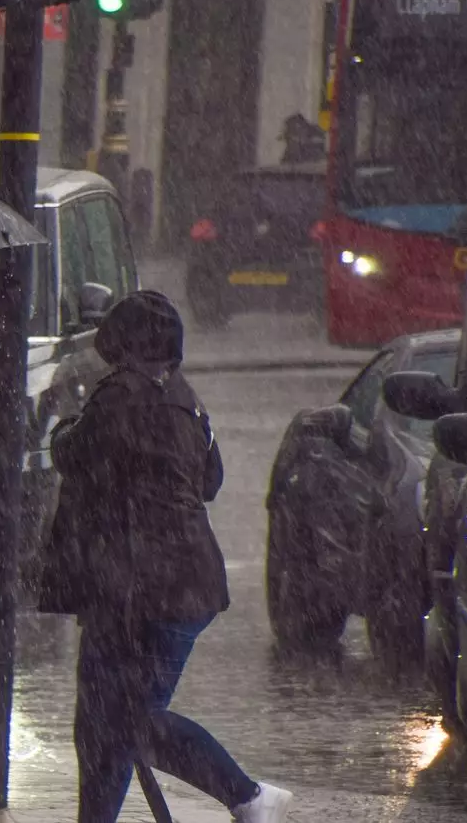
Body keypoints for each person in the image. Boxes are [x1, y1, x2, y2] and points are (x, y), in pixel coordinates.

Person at [48, 290, 292, 823]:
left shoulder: (117, 396)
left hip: (142, 587)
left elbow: (72, 453)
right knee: (104, 724)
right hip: (174, 585)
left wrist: (67, 421)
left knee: (121, 723)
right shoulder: (186, 398)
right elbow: (212, 479)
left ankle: (247, 796)